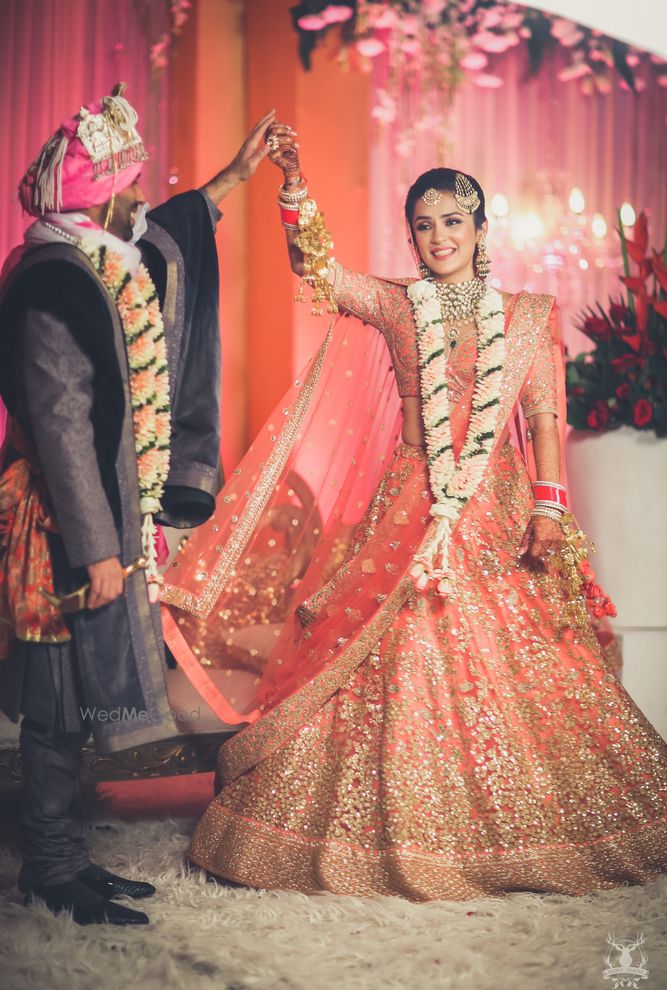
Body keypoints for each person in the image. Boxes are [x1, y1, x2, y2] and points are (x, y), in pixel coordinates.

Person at [160, 129, 667, 902]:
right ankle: (391, 822)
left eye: (452, 222)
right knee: (382, 642)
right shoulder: (398, 305)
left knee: (523, 657)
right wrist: (293, 186)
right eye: (423, 225)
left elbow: (542, 418)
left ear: (480, 229)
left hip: (497, 510)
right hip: (409, 505)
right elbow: (321, 273)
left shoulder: (528, 317)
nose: (438, 237)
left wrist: (548, 511)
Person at [0, 84, 275, 925]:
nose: (145, 201)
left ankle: (67, 857)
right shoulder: (53, 283)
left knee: (79, 697)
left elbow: (159, 241)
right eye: (134, 187)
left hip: (87, 523)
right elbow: (62, 429)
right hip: (57, 527)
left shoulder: (86, 254)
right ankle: (49, 868)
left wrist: (228, 181)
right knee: (53, 698)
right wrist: (101, 549)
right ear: (105, 197)